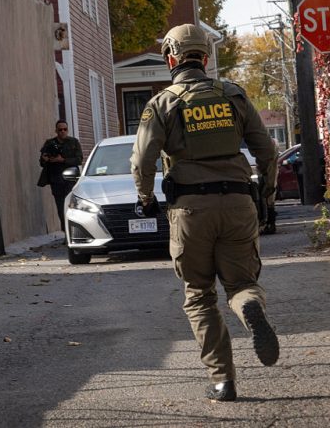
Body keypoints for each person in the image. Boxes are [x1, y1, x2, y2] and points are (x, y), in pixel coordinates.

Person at [130, 24, 279, 402]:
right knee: (241, 283)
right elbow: (268, 152)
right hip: (238, 202)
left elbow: (143, 160)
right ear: (206, 58)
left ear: (170, 59)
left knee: (198, 294)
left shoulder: (162, 103)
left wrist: (145, 197)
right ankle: (248, 306)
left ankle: (223, 381)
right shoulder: (235, 96)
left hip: (190, 209)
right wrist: (266, 195)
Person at [39, 120, 83, 232]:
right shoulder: (49, 143)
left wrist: (63, 160)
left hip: (70, 180)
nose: (63, 131)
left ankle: (74, 231)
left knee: (70, 206)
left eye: (65, 129)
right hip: (56, 179)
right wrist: (46, 159)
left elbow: (79, 159)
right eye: (60, 130)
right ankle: (66, 232)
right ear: (56, 131)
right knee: (60, 207)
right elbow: (41, 162)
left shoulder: (73, 142)